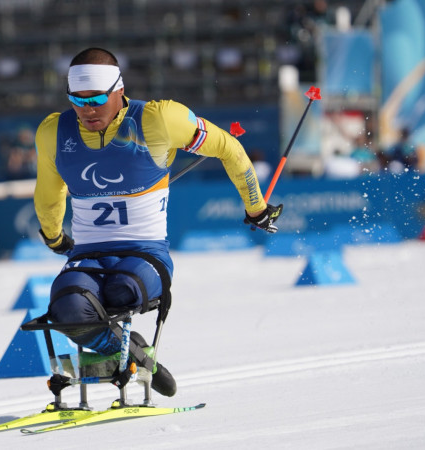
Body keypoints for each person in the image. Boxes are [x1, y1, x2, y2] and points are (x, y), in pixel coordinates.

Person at [33, 48, 283, 397]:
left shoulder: (159, 119)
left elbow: (228, 146)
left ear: (120, 89)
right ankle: (128, 353)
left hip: (145, 256)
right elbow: (48, 193)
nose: (87, 109)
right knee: (66, 305)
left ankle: (121, 354)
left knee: (121, 292)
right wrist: (55, 236)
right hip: (89, 256)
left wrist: (256, 208)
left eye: (98, 99)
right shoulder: (53, 132)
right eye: (77, 99)